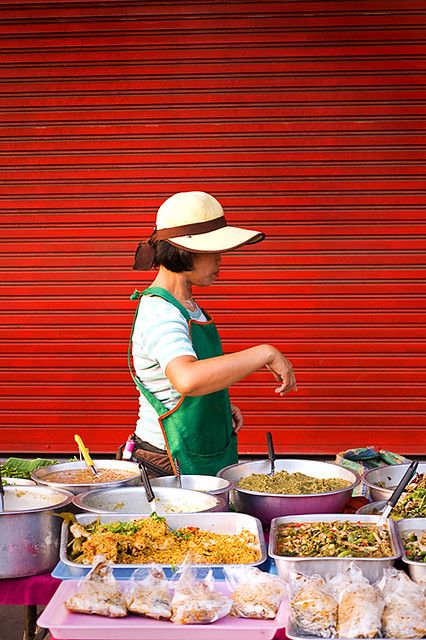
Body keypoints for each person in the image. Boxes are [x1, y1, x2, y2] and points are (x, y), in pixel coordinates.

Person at [124, 191, 297, 477]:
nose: (220, 261)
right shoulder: (161, 311)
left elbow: (185, 381)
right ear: (183, 251)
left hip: (199, 450)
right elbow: (187, 378)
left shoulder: (188, 307)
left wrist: (215, 407)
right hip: (168, 462)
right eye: (213, 252)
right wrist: (264, 352)